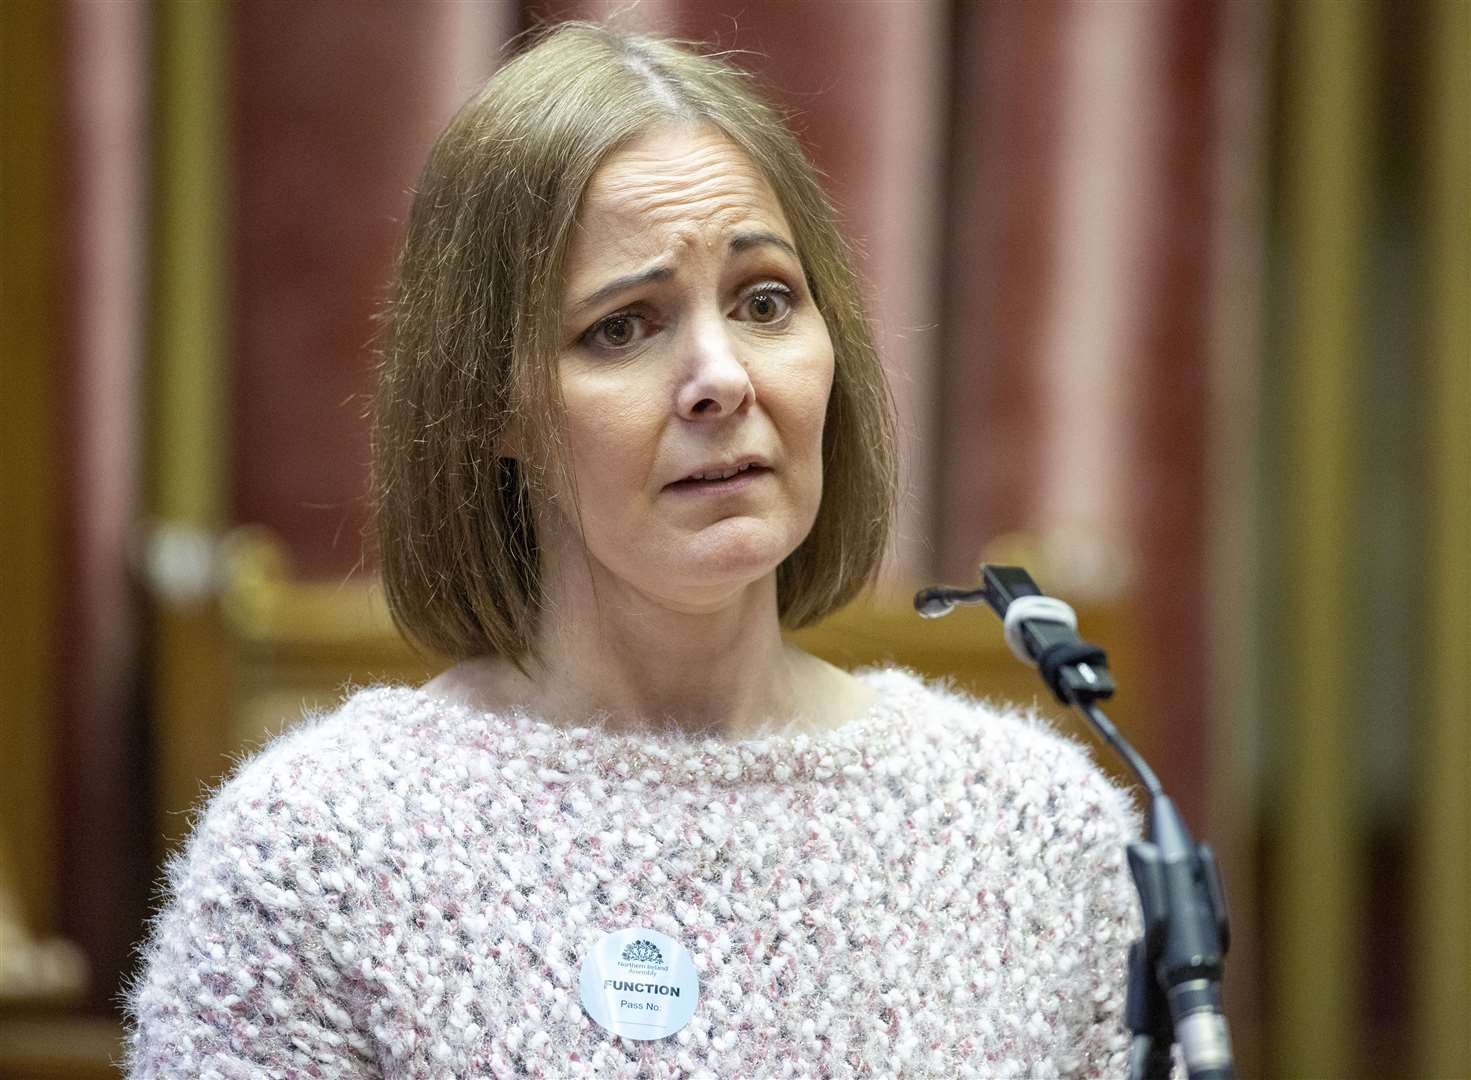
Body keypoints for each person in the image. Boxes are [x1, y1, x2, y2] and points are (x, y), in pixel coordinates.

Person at [126, 22, 1139, 1078]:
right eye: (623, 327)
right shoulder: (316, 856)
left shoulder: (1040, 832)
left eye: (764, 302)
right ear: (493, 408)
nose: (722, 377)